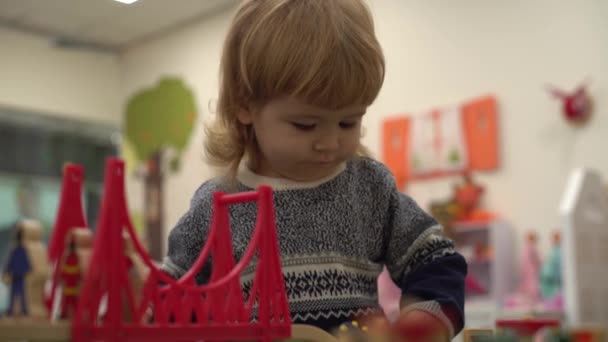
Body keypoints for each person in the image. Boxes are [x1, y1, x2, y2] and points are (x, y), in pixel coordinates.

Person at [161, 0, 467, 338]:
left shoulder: (369, 188)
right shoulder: (217, 204)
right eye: (306, 124)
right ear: (245, 106)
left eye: (348, 122)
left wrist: (425, 318)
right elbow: (171, 296)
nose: (330, 143)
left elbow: (436, 258)